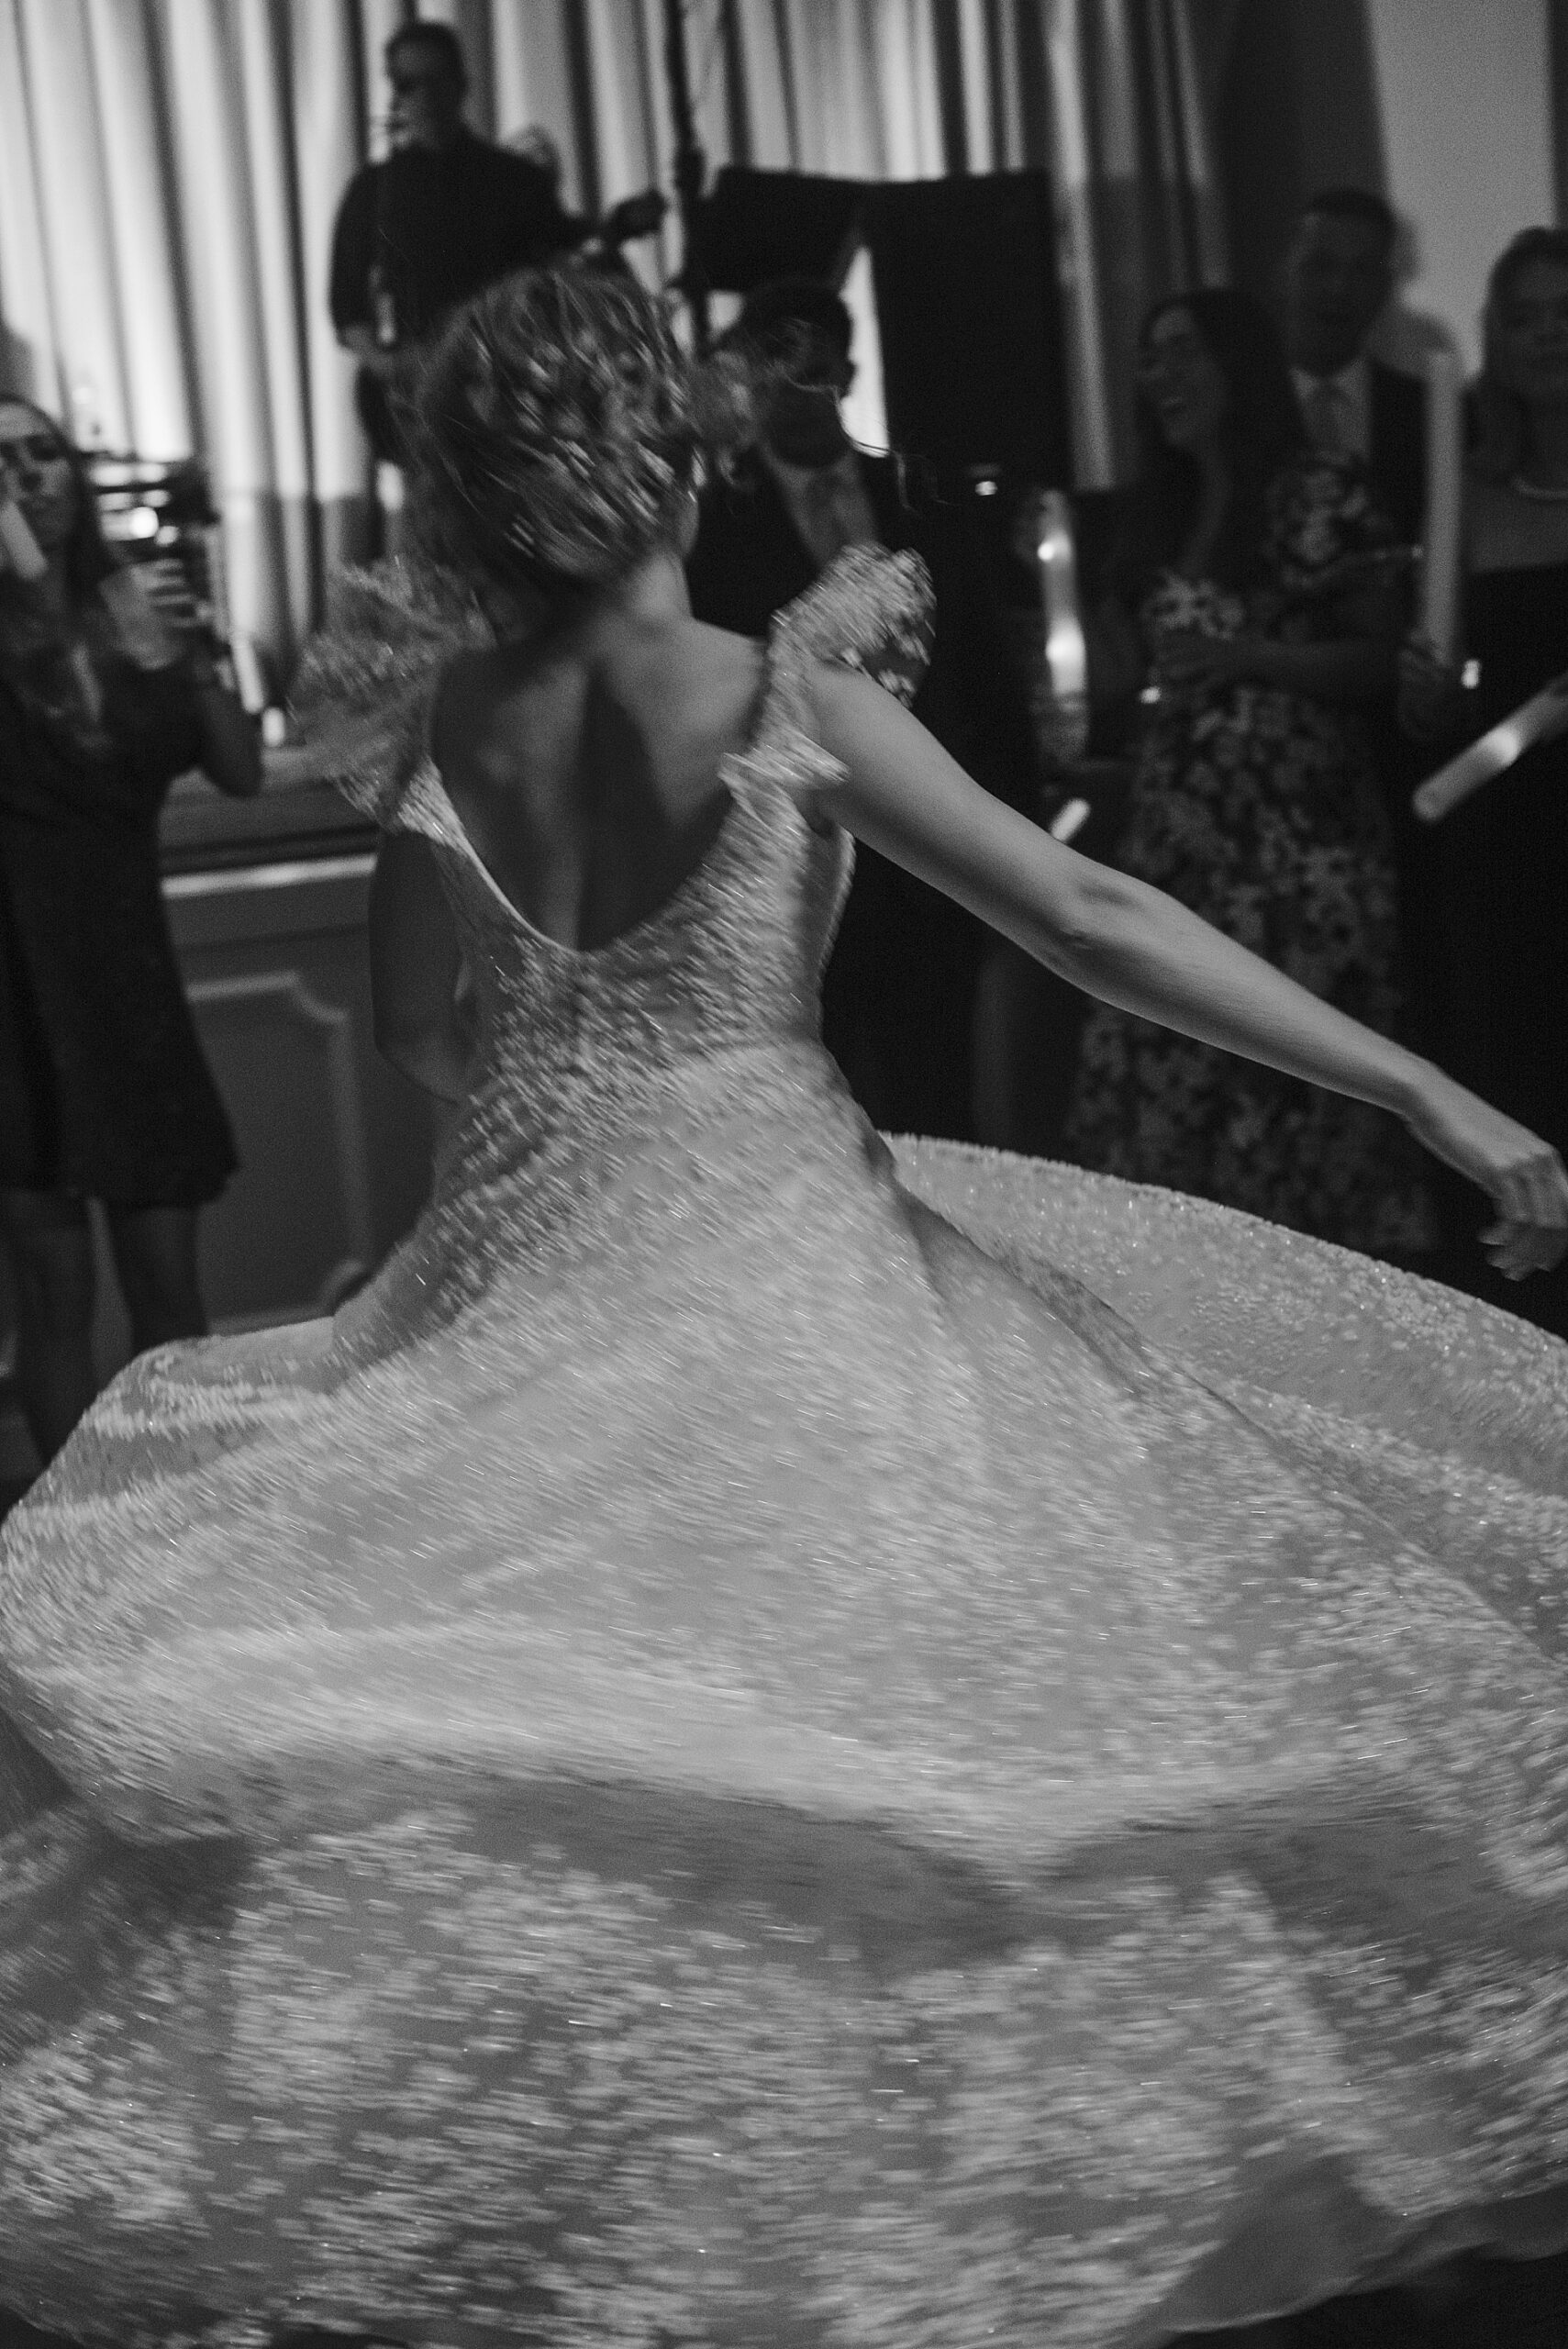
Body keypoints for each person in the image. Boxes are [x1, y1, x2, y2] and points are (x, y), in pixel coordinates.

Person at [0, 264, 1564, 2349]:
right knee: (894, 1736)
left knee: (529, 1741)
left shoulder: (445, 733)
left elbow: (413, 1031)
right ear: (676, 447)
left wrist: (586, 1099)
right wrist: (1421, 1081)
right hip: (776, 1246)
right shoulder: (780, 697)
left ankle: (579, 2205)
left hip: (517, 1271)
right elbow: (1088, 912)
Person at [1061, 289, 1436, 1259]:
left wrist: (1248, 659)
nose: (1160, 377)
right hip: (1183, 844)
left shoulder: (1319, 489)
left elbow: (1377, 655)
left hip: (1296, 848)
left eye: (1182, 352)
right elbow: (1120, 682)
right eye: (1148, 358)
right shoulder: (1161, 509)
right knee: (1174, 1072)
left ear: (1238, 364)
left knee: (1295, 1085)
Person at [686, 275, 1040, 1139]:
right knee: (816, 1117)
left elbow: (986, 678)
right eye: (770, 377)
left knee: (944, 1110)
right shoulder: (711, 526)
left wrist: (1017, 836)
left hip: (935, 859)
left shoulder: (925, 498)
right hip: (796, 870)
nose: (791, 396)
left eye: (810, 373)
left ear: (846, 372)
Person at [0, 398, 260, 1470]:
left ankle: (183, 1528)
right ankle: (73, 1545)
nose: (30, 477)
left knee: (170, 1294)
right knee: (55, 1295)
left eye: (44, 452)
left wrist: (191, 651)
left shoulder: (126, 601)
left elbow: (240, 773)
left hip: (129, 978)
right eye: (4, 463)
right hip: (14, 985)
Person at [1398, 226, 1568, 1341]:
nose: (1547, 333)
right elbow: (1436, 711)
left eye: (1565, 310)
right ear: (1493, 342)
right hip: (1506, 848)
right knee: (1521, 1082)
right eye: (1522, 316)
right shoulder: (1464, 493)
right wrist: (1421, 689)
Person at [329, 21, 662, 465]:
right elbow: (346, 306)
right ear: (395, 92)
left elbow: (567, 259)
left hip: (504, 401)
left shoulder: (513, 180)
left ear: (462, 84)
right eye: (408, 84)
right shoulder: (372, 189)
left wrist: (617, 228)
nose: (423, 97)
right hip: (412, 405)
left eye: (436, 80)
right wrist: (388, 364)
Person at [1280, 186, 1428, 546]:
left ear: (1384, 287)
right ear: (1285, 273)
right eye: (1321, 266)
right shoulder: (1237, 410)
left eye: (1362, 270)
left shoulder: (1430, 414)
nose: (1339, 288)